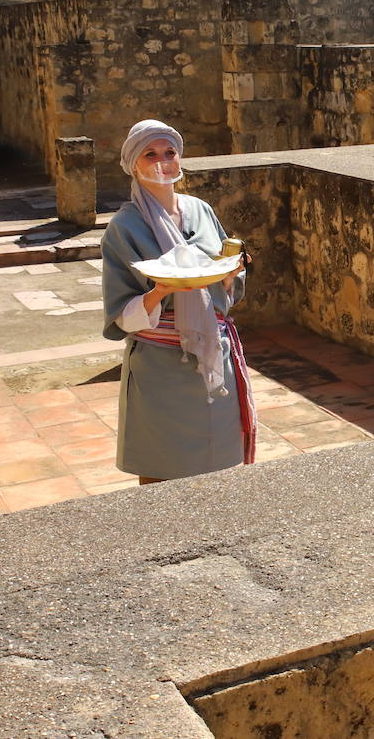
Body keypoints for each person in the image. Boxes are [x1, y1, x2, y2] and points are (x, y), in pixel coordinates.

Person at [101, 119, 256, 485]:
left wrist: (232, 273)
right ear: (133, 165)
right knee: (161, 470)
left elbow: (224, 282)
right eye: (149, 154)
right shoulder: (124, 228)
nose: (162, 162)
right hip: (160, 368)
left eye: (169, 153)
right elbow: (121, 314)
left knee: (218, 463)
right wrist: (161, 291)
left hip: (212, 358)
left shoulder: (201, 211)